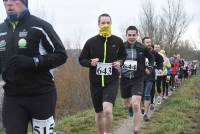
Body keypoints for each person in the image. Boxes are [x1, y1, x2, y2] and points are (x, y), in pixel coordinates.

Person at [1, 0, 68, 133]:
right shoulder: (1, 30)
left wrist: (34, 62)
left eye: (13, 0)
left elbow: (61, 55)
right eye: (5, 0)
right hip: (13, 96)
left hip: (41, 94)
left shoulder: (40, 26)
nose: (8, 3)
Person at [79, 13, 127, 134]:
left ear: (111, 24)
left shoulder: (117, 41)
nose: (105, 25)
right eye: (103, 23)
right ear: (98, 24)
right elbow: (81, 59)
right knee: (99, 113)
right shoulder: (91, 42)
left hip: (112, 81)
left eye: (108, 22)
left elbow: (124, 56)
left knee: (107, 110)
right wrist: (90, 62)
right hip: (95, 82)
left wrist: (120, 62)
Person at [120, 26, 154, 133]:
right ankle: (129, 107)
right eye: (129, 35)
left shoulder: (142, 47)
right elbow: (115, 59)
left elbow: (151, 58)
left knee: (136, 104)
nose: (131, 37)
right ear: (126, 35)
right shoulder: (121, 47)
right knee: (127, 105)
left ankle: (137, 130)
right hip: (124, 79)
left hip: (138, 78)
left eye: (133, 35)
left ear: (137, 35)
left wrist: (149, 68)